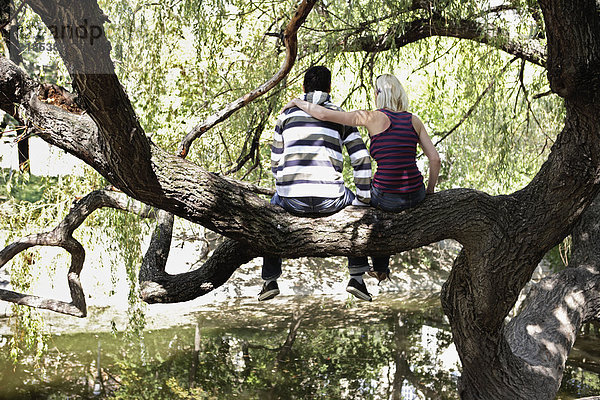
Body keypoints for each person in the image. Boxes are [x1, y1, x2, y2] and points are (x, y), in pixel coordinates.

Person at [282, 73, 441, 284]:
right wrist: (429, 191)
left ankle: (378, 268)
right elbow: (435, 159)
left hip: (387, 197)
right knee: (380, 195)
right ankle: (381, 269)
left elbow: (324, 114)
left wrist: (297, 102)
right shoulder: (414, 120)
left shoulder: (371, 117)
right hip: (417, 194)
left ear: (378, 94)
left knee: (367, 205)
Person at [259, 66, 374, 302]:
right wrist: (363, 200)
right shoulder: (340, 116)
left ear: (303, 88)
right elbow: (361, 159)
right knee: (363, 211)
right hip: (332, 199)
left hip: (291, 200)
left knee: (270, 211)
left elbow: (275, 160)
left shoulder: (286, 115)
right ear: (330, 88)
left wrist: (286, 183)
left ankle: (269, 281)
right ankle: (357, 278)